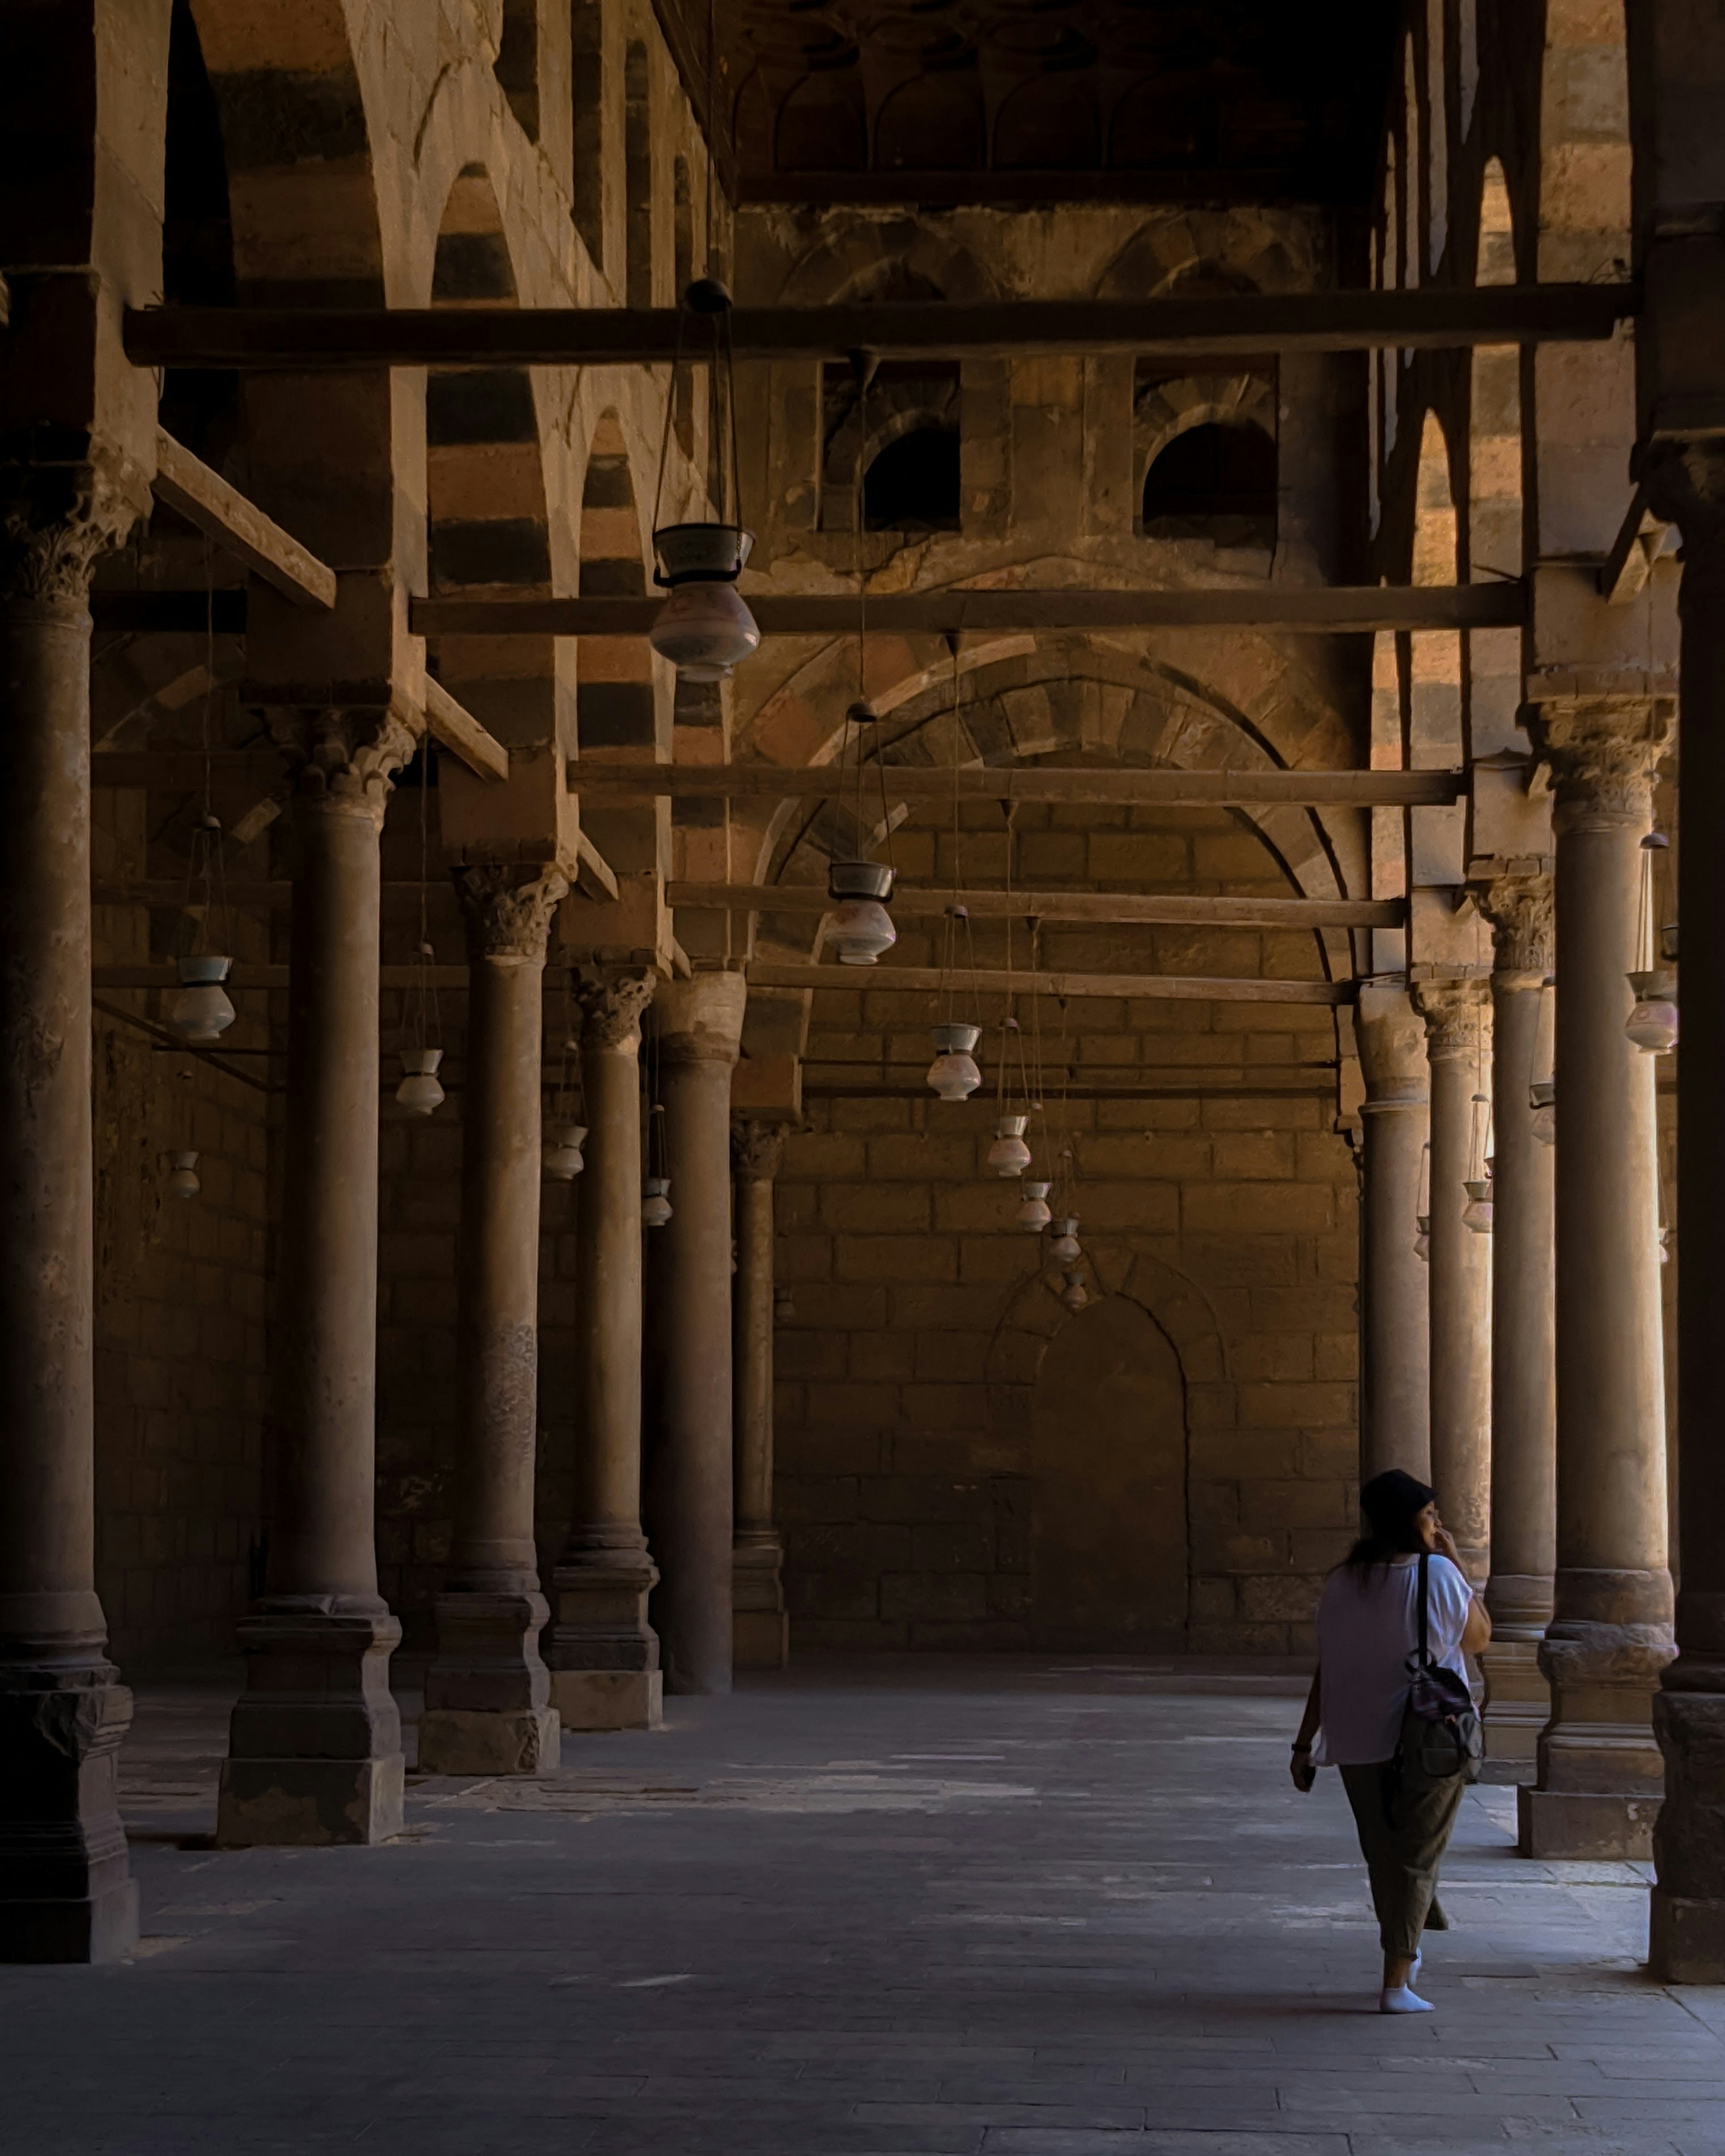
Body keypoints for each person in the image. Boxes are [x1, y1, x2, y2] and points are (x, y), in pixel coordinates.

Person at [1289, 1468, 1490, 2014]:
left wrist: (1304, 1742)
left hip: (1358, 1737)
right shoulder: (1439, 1574)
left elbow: (1328, 1667)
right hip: (1433, 1736)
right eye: (1429, 1516)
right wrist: (1456, 1564)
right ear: (1409, 1522)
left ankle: (1412, 1934)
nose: (1437, 1524)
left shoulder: (1342, 1581)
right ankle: (1397, 1979)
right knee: (1414, 1854)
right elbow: (1479, 1638)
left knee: (1387, 1852)